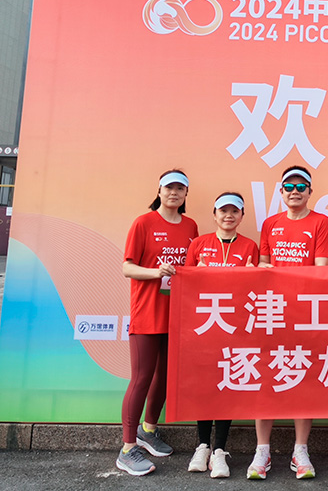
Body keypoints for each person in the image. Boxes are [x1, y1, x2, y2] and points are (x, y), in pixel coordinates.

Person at [250, 165, 328, 480]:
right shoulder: (270, 224)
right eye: (289, 186)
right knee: (266, 378)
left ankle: (300, 450)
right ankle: (262, 450)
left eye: (301, 186)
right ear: (281, 191)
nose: (295, 191)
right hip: (272, 312)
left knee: (302, 378)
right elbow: (264, 266)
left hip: (305, 313)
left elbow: (320, 271)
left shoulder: (321, 222)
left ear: (310, 191)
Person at [117, 170, 198, 476]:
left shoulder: (190, 226)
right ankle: (127, 449)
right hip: (147, 312)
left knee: (164, 377)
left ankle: (148, 430)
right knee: (141, 378)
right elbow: (127, 268)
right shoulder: (144, 223)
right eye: (169, 187)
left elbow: (190, 268)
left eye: (180, 188)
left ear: (186, 194)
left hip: (176, 314)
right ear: (159, 191)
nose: (174, 192)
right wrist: (156, 272)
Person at [184, 192, 259, 478]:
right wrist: (196, 273)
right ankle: (202, 445)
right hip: (204, 327)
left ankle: (219, 450)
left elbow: (254, 291)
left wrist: (253, 276)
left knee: (227, 383)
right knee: (205, 385)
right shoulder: (199, 244)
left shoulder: (249, 247)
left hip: (234, 327)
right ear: (214, 214)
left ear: (241, 216)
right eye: (223, 211)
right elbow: (183, 287)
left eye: (234, 211)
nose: (229, 215)